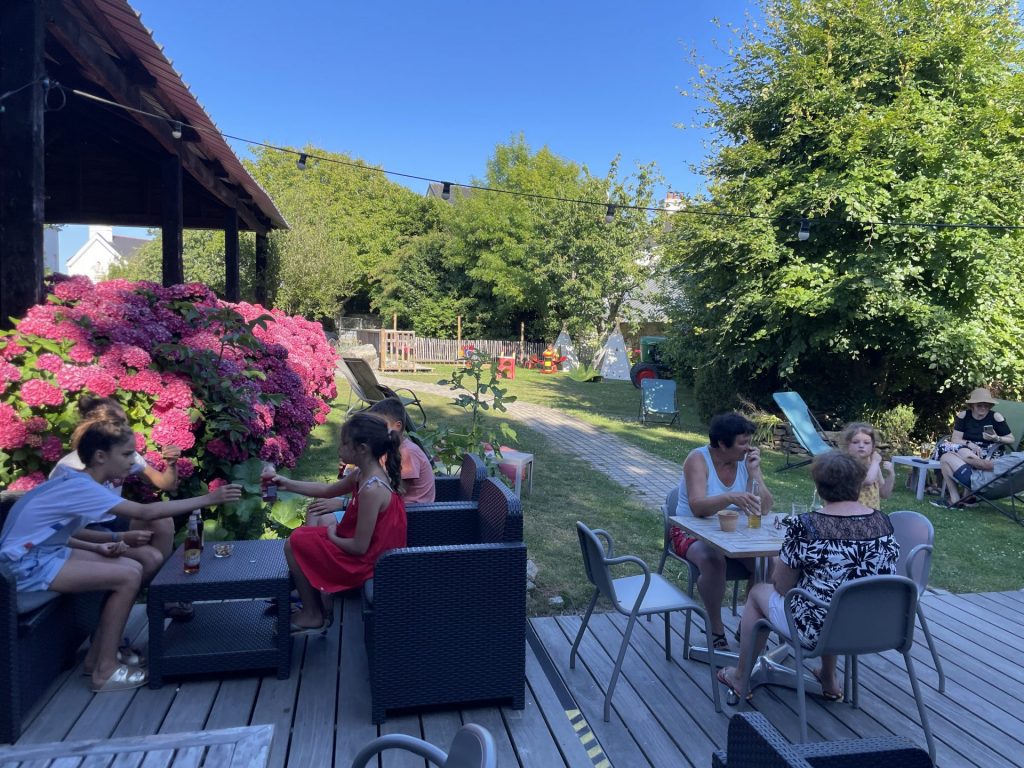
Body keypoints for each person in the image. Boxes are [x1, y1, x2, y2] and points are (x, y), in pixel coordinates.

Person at [0, 420, 241, 693]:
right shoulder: (81, 486)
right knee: (127, 575)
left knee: (130, 564)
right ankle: (105, 671)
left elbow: (54, 531)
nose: (133, 461)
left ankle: (96, 657)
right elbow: (146, 513)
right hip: (19, 572)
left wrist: (99, 546)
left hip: (39, 556)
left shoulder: (77, 481)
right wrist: (209, 499)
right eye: (126, 454)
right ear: (101, 456)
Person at [716, 451, 899, 701]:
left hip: (818, 631)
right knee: (831, 598)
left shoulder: (807, 526)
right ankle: (828, 677)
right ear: (858, 484)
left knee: (760, 592)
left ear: (819, 487)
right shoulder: (883, 522)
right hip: (878, 625)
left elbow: (781, 586)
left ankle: (740, 676)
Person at [271, 413, 408, 634]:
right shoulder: (363, 474)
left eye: (344, 443)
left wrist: (332, 534)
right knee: (304, 535)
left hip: (368, 564)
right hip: (361, 553)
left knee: (295, 541)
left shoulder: (373, 489)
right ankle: (314, 604)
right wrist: (285, 483)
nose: (339, 448)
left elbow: (360, 547)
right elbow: (326, 491)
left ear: (362, 449)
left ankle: (313, 614)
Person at [673, 412, 773, 650]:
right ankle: (716, 628)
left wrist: (755, 473)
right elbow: (697, 506)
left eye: (749, 442)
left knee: (769, 563)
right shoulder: (698, 459)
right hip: (690, 530)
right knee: (712, 559)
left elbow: (766, 508)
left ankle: (748, 626)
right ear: (720, 443)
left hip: (733, 532)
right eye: (742, 443)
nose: (748, 448)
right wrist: (729, 497)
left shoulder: (744, 463)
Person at [51, 396, 181, 566]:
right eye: (121, 424)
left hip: (112, 520)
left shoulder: (125, 455)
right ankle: (144, 587)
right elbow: (63, 530)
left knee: (163, 521)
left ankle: (161, 585)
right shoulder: (70, 469)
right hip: (84, 529)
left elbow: (166, 484)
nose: (127, 429)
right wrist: (118, 537)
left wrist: (171, 464)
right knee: (149, 556)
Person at [935, 388, 1015, 505]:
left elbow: (1011, 439)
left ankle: (964, 495)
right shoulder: (964, 416)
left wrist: (997, 438)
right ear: (972, 405)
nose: (983, 408)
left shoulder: (996, 417)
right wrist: (969, 444)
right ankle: (963, 495)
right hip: (967, 448)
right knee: (945, 450)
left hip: (990, 451)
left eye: (986, 406)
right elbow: (955, 438)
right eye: (980, 405)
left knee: (949, 456)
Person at [837, 422, 894, 510]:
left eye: (866, 443)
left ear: (872, 446)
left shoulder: (873, 466)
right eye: (855, 442)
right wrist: (875, 462)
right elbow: (867, 481)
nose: (861, 446)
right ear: (847, 445)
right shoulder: (846, 465)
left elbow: (884, 494)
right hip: (852, 516)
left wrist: (891, 475)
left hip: (871, 518)